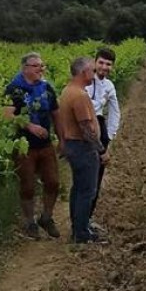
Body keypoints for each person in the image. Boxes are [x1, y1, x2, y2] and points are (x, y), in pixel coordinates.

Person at [3, 51, 63, 239]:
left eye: (42, 65)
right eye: (37, 66)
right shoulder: (14, 89)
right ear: (26, 68)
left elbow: (56, 114)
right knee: (27, 185)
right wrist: (29, 126)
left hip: (45, 145)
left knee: (53, 182)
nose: (41, 69)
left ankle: (46, 217)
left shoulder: (47, 88)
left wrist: (62, 139)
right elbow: (6, 115)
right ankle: (30, 222)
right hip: (24, 146)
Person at [58, 56, 109, 244]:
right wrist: (101, 150)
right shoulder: (79, 96)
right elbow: (86, 128)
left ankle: (78, 227)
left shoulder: (68, 91)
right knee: (87, 190)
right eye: (92, 71)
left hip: (73, 145)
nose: (94, 74)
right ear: (84, 72)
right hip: (82, 147)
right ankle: (81, 233)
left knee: (78, 189)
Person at [86, 46, 121, 233]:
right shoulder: (84, 82)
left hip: (100, 126)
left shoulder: (109, 86)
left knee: (97, 178)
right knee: (85, 178)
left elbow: (115, 112)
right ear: (95, 62)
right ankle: (80, 221)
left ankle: (88, 218)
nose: (104, 67)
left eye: (108, 64)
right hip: (84, 128)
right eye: (101, 62)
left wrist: (110, 136)